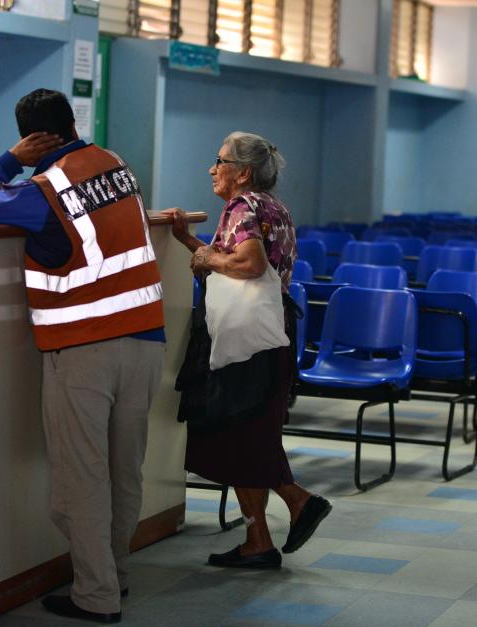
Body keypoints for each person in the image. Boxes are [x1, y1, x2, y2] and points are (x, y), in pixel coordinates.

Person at [0, 88, 165, 624]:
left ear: (31, 137)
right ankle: (116, 574)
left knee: (81, 479)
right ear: (72, 124)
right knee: (125, 471)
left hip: (85, 348)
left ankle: (96, 596)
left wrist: (9, 160)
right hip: (146, 339)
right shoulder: (116, 164)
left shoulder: (45, 191)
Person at [162, 131, 331, 570]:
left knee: (240, 431)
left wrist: (205, 258)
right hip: (271, 331)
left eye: (220, 161)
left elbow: (249, 265)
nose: (212, 169)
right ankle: (259, 539)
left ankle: (297, 499)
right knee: (248, 431)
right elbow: (235, 265)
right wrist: (190, 244)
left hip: (248, 339)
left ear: (243, 172)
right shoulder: (273, 207)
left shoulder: (242, 206)